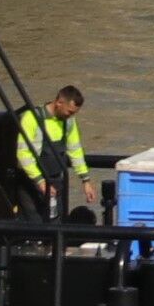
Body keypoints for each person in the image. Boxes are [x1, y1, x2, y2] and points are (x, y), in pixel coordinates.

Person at [12, 83, 90, 218]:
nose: (71, 116)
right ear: (59, 102)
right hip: (31, 182)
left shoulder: (69, 121)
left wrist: (85, 180)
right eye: (70, 112)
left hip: (55, 181)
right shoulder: (32, 118)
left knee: (56, 222)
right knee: (34, 223)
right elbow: (23, 154)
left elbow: (75, 150)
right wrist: (40, 182)